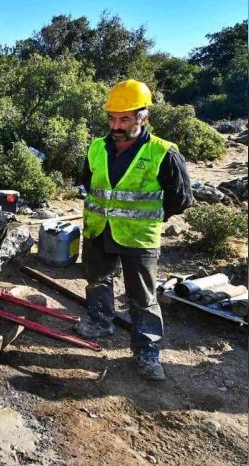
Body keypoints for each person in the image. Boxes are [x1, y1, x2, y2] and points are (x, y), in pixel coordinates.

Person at [76, 79, 194, 381]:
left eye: (125, 119)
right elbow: (90, 184)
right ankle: (100, 322)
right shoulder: (96, 148)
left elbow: (181, 199)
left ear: (143, 117)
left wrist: (147, 217)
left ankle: (147, 352)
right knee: (97, 280)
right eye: (112, 118)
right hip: (98, 229)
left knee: (142, 296)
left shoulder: (163, 152)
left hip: (139, 236)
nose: (116, 126)